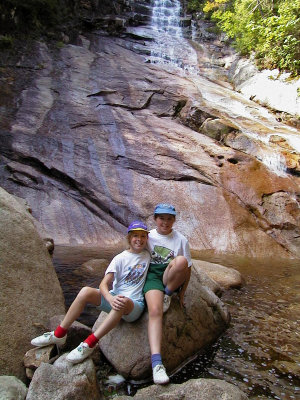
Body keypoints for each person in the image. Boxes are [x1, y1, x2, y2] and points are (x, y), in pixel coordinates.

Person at [31, 221, 150, 364]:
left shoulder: (148, 256)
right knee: (85, 291)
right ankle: (60, 333)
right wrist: (109, 299)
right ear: (129, 238)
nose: (139, 239)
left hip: (133, 306)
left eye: (143, 236)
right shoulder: (119, 258)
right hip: (115, 299)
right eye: (136, 235)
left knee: (121, 301)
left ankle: (89, 343)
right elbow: (103, 284)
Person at [143, 203, 192, 385]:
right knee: (155, 312)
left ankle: (168, 294)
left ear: (174, 220)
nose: (165, 222)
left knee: (181, 261)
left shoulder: (181, 240)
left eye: (169, 218)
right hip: (152, 275)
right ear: (155, 219)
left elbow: (188, 268)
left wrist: (182, 294)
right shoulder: (147, 236)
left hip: (169, 275)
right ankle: (157, 363)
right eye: (161, 218)